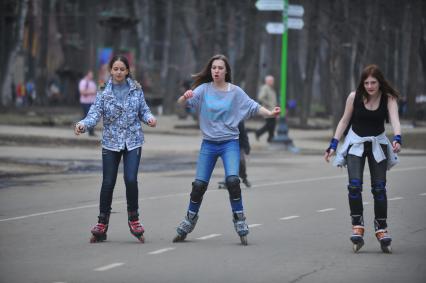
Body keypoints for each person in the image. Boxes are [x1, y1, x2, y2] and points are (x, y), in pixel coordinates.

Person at [173, 54, 280, 245]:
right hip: (209, 143)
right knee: (198, 186)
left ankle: (239, 220)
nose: (216, 71)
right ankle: (189, 220)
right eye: (213, 67)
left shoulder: (235, 92)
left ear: (226, 71)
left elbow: (253, 106)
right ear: (210, 70)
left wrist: (270, 113)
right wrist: (185, 96)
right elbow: (182, 102)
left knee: (232, 180)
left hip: (229, 142)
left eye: (220, 68)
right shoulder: (203, 89)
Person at [74, 55, 157, 243]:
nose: (118, 72)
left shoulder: (136, 90)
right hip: (111, 142)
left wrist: (150, 118)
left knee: (130, 179)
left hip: (133, 141)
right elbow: (94, 113)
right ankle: (102, 223)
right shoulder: (103, 91)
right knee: (108, 182)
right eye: (115, 69)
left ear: (127, 71)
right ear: (110, 71)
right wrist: (83, 125)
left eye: (122, 69)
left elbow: (144, 110)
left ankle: (134, 220)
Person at [324, 64, 401, 253]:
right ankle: (357, 225)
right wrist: (333, 144)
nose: (369, 86)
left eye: (373, 82)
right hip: (355, 144)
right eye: (366, 82)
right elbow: (344, 120)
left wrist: (398, 138)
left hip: (378, 144)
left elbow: (395, 120)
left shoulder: (388, 98)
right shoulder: (354, 97)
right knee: (354, 186)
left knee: (379, 188)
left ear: (379, 82)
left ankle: (381, 228)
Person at [218, 120, 252, 189]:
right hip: (228, 146)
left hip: (239, 145)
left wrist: (247, 147)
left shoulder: (239, 121)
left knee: (241, 161)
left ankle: (244, 178)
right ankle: (227, 181)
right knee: (230, 163)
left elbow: (244, 135)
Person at [255, 75, 277, 142]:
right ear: (268, 81)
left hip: (272, 110)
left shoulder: (271, 88)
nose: (273, 82)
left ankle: (270, 138)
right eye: (272, 81)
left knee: (272, 124)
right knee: (270, 124)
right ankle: (259, 133)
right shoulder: (265, 88)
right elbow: (260, 97)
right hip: (268, 110)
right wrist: (268, 104)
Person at [78, 71, 98, 136]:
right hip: (85, 102)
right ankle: (89, 131)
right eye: (90, 75)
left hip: (92, 102)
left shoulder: (92, 83)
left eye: (92, 75)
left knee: (89, 117)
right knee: (88, 117)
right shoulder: (83, 82)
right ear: (87, 75)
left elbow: (96, 91)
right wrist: (91, 92)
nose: (91, 76)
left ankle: (89, 131)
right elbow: (82, 92)